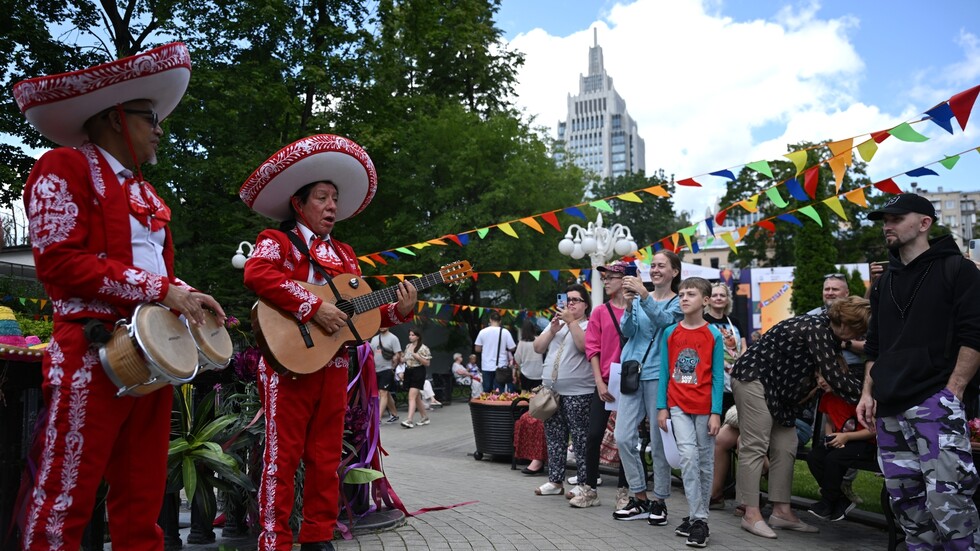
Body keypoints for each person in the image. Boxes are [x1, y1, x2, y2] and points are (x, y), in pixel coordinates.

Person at [14, 42, 227, 551]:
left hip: (152, 352)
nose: (159, 128)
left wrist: (192, 297)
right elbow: (59, 262)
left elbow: (156, 271)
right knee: (65, 492)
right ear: (113, 117)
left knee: (144, 494)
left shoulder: (147, 192)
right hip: (89, 348)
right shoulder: (63, 166)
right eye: (148, 117)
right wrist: (163, 291)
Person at [240, 135, 417, 551]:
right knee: (281, 460)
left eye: (335, 198)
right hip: (287, 365)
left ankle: (318, 535)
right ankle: (274, 541)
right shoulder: (277, 240)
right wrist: (311, 307)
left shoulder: (347, 254)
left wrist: (401, 310)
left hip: (336, 365)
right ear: (299, 204)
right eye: (322, 197)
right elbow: (256, 274)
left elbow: (363, 316)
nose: (332, 206)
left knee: (325, 458)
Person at [857, 193, 980, 549]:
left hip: (935, 402)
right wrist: (867, 393)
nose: (887, 225)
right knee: (908, 508)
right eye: (884, 219)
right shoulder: (883, 283)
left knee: (950, 506)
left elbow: (974, 335)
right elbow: (875, 346)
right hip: (889, 407)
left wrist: (953, 391)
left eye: (896, 218)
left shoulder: (958, 270)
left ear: (924, 223)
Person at [730, 296, 869, 539]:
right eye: (859, 331)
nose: (859, 336)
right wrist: (869, 396)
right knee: (755, 445)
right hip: (754, 379)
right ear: (847, 324)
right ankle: (750, 514)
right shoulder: (818, 329)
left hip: (780, 392)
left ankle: (782, 512)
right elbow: (834, 377)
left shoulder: (828, 332)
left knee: (786, 445)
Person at [613, 251, 683, 525]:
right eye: (652, 265)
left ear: (674, 272)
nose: (654, 270)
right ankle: (639, 497)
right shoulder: (641, 297)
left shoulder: (679, 302)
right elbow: (628, 331)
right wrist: (630, 306)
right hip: (633, 373)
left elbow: (666, 323)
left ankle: (660, 501)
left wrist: (643, 296)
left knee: (658, 443)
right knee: (623, 437)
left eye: (661, 266)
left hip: (658, 376)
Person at [657, 277, 725, 548]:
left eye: (691, 294)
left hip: (705, 406)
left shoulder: (714, 334)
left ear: (705, 301)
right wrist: (662, 407)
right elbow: (664, 372)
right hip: (678, 404)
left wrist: (716, 412)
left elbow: (718, 377)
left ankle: (698, 518)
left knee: (705, 462)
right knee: (687, 457)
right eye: (682, 293)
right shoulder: (670, 333)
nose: (684, 298)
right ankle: (699, 519)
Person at [572, 261, 632, 509]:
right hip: (606, 380)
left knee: (627, 439)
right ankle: (589, 489)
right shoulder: (599, 311)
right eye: (604, 277)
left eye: (611, 277)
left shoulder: (637, 309)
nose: (606, 281)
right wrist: (599, 382)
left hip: (631, 382)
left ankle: (625, 491)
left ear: (626, 280)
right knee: (594, 434)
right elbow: (592, 348)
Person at [531, 284, 592, 497]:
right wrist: (553, 330)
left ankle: (584, 483)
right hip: (552, 391)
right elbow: (538, 347)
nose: (570, 304)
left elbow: (585, 347)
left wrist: (572, 322)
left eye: (575, 300)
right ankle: (555, 481)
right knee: (555, 438)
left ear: (585, 304)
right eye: (567, 300)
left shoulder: (588, 324)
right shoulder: (555, 324)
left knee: (580, 438)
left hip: (579, 391)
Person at [807, 372, 875, 522]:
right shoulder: (827, 398)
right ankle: (839, 499)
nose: (820, 381)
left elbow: (872, 430)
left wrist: (847, 437)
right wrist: (830, 438)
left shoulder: (853, 397)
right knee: (814, 457)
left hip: (864, 443)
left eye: (824, 376)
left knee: (834, 459)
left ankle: (829, 501)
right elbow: (829, 422)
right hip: (841, 439)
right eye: (817, 377)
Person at [703, 282, 746, 393]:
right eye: (714, 295)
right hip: (713, 377)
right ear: (708, 300)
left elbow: (744, 346)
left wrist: (738, 365)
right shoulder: (702, 321)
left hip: (736, 375)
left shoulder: (735, 322)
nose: (719, 298)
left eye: (722, 295)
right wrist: (726, 366)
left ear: (727, 300)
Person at [475, 311, 517, 393]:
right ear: (500, 321)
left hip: (486, 365)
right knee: (499, 390)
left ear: (490, 320)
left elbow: (477, 349)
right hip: (501, 366)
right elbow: (512, 348)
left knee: (487, 390)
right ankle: (498, 405)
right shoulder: (505, 332)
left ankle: (487, 405)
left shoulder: (482, 332)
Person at [401, 328, 433, 427]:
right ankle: (425, 417)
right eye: (409, 335)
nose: (410, 337)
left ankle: (409, 420)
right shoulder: (408, 346)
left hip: (418, 371)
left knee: (411, 396)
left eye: (412, 335)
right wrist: (399, 358)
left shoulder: (423, 348)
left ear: (418, 336)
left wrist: (417, 356)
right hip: (408, 371)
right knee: (416, 397)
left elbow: (427, 363)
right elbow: (404, 359)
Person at [371, 328, 402, 423]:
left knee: (383, 392)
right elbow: (371, 353)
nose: (382, 326)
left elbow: (398, 354)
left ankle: (378, 418)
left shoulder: (393, 338)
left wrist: (393, 366)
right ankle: (395, 414)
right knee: (385, 393)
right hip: (376, 370)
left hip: (387, 369)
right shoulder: (374, 339)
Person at [513, 319, 544, 391]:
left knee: (525, 396)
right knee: (538, 396)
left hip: (525, 373)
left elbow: (517, 359)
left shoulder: (521, 343)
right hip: (539, 373)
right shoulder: (539, 340)